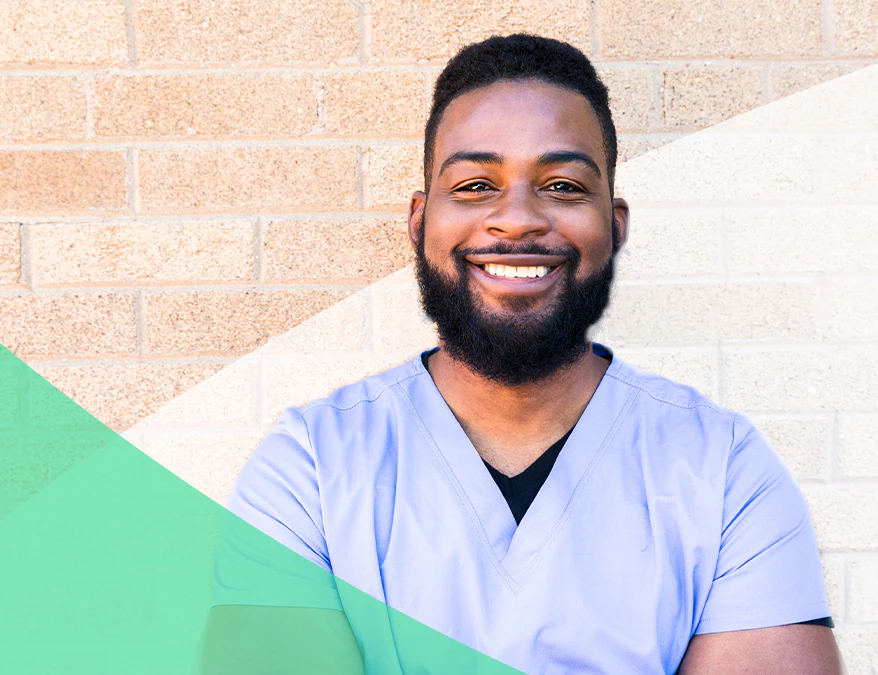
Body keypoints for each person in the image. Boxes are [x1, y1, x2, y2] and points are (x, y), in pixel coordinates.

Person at [199, 34, 843, 674]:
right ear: (420, 221)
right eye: (476, 184)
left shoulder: (722, 469)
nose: (516, 219)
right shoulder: (312, 464)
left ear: (614, 224)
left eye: (562, 186)